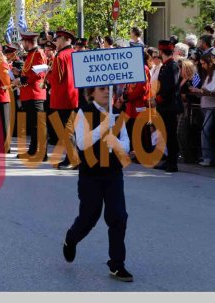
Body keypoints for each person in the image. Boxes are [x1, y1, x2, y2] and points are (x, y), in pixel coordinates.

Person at [63, 85, 132, 282]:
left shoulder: (117, 113)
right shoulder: (83, 112)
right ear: (92, 92)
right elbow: (82, 143)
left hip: (113, 173)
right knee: (89, 217)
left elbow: (126, 143)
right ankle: (71, 238)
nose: (107, 92)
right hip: (91, 174)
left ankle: (117, 264)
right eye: (102, 88)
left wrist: (116, 144)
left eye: (109, 89)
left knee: (118, 216)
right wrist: (103, 126)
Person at [47, 29, 79, 169]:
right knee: (70, 130)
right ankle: (70, 158)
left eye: (58, 38)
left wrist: (47, 74)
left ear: (65, 39)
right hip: (73, 97)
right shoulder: (74, 54)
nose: (56, 41)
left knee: (67, 131)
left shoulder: (60, 56)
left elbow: (57, 79)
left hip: (62, 98)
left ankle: (73, 160)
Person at [17, 31, 47, 161]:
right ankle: (33, 150)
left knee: (38, 125)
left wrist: (23, 79)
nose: (22, 44)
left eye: (23, 41)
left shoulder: (38, 53)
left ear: (27, 42)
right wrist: (19, 74)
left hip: (35, 94)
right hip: (28, 94)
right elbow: (29, 71)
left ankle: (42, 153)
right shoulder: (30, 54)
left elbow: (40, 73)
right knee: (33, 126)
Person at [189, 53, 215, 167]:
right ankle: (207, 156)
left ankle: (207, 157)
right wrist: (197, 91)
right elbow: (204, 89)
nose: (202, 66)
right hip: (204, 105)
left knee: (205, 131)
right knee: (205, 131)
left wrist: (199, 91)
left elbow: (213, 90)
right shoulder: (208, 74)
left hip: (212, 106)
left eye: (204, 63)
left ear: (210, 63)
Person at [153, 40, 181, 172]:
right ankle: (168, 159)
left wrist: (159, 98)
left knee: (170, 134)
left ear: (161, 51)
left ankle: (172, 163)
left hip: (169, 106)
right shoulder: (166, 66)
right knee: (164, 134)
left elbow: (171, 86)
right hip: (164, 106)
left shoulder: (172, 66)